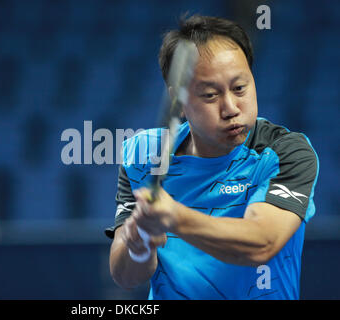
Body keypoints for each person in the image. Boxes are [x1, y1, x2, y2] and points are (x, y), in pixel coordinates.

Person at [104, 14, 319, 300]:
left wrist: (175, 218)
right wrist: (139, 243)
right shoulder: (142, 156)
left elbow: (262, 243)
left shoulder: (284, 152)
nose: (231, 108)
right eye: (209, 95)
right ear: (179, 102)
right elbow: (125, 277)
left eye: (240, 88)